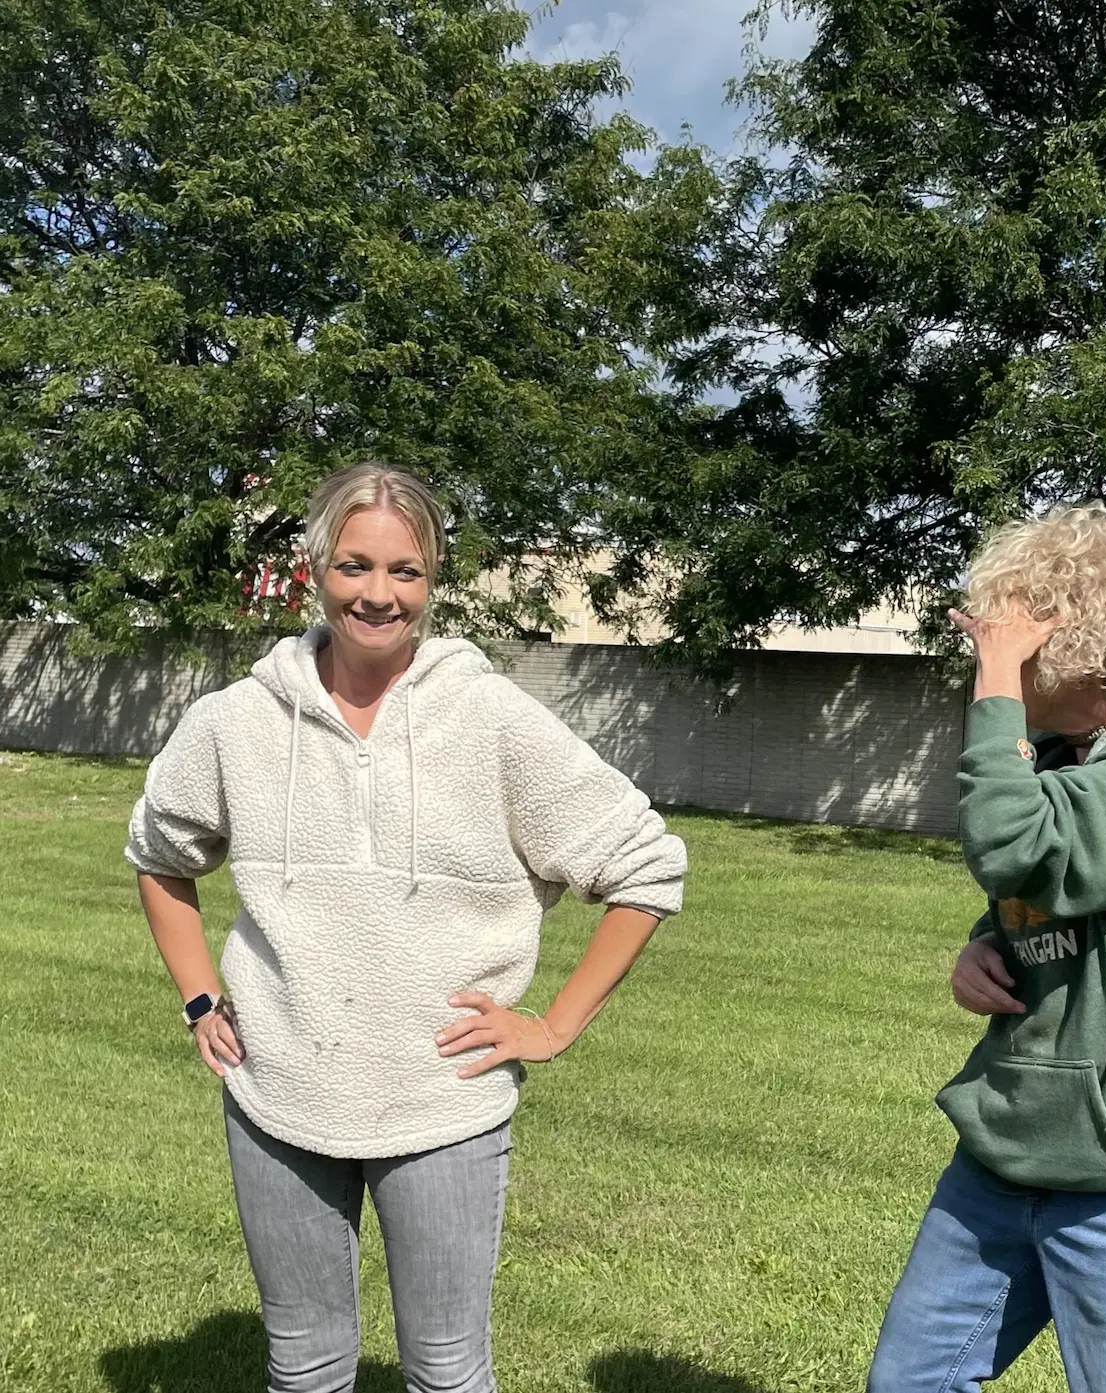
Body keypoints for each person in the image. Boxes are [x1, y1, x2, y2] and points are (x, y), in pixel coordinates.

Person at [127, 462, 686, 1393]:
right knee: (304, 1370)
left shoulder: (492, 717)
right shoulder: (236, 721)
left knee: (446, 1372)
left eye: (405, 572)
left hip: (444, 1104)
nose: (378, 595)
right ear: (313, 568)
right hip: (280, 1097)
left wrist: (554, 1025)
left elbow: (647, 863)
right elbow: (158, 852)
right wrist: (199, 999)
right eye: (354, 566)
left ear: (432, 580)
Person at [867, 503, 1106, 1393]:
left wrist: (995, 684)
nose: (986, 647)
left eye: (1010, 631)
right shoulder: (1058, 751)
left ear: (1070, 643)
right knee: (910, 1383)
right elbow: (1047, 882)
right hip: (1008, 1154)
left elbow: (1022, 845)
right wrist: (982, 947)